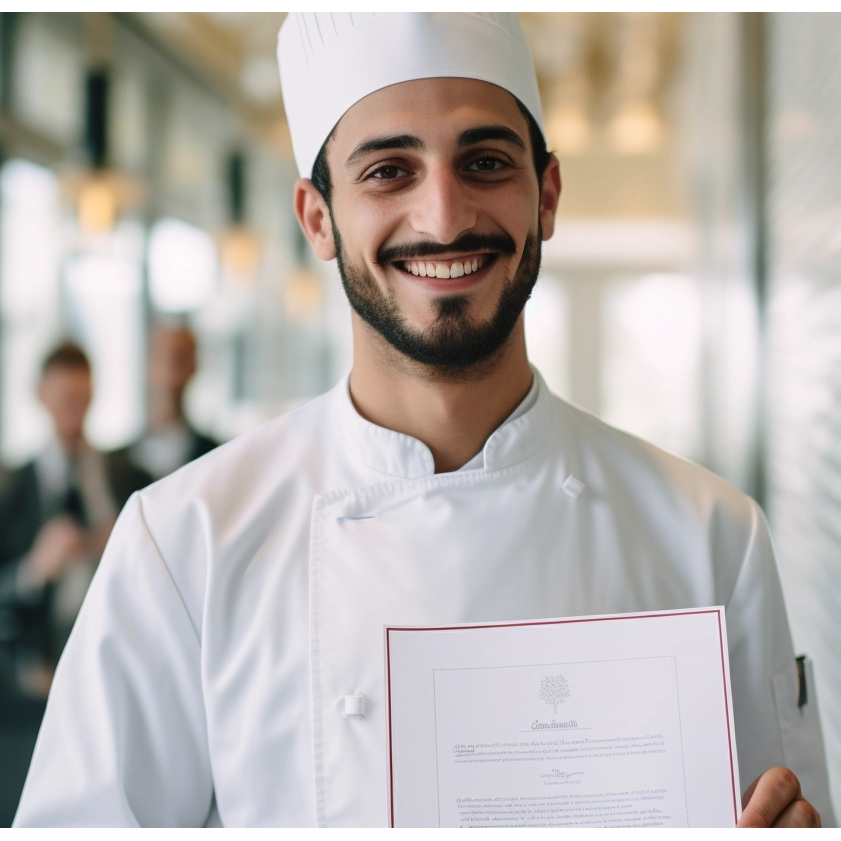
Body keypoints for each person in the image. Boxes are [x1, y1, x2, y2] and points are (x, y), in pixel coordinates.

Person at [14, 14, 832, 828]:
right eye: (387, 172)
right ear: (317, 218)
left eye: (484, 162)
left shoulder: (710, 536)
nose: (443, 218)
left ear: (546, 195)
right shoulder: (183, 543)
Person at [0, 343, 151, 698]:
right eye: (63, 398)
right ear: (41, 396)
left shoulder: (131, 479)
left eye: (80, 398)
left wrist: (122, 547)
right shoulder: (11, 489)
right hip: (35, 676)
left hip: (118, 666)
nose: (73, 409)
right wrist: (33, 571)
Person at [126, 324, 218, 482]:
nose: (170, 366)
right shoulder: (112, 464)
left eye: (181, 357)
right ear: (147, 364)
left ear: (194, 366)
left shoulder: (216, 456)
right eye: (161, 355)